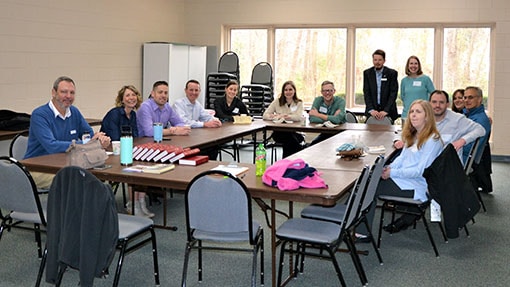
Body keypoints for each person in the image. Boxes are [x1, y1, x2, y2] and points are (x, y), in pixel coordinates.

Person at [24, 76, 111, 189]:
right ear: (53, 93)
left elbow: (89, 135)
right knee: (76, 181)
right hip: (37, 169)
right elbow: (51, 146)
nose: (68, 96)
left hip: (68, 164)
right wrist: (85, 143)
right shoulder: (40, 115)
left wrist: (99, 140)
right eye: (64, 92)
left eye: (72, 93)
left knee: (96, 177)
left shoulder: (74, 112)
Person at [370, 100, 443, 233]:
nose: (413, 115)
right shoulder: (413, 135)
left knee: (369, 189)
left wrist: (392, 173)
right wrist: (389, 168)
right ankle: (351, 226)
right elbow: (401, 158)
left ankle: (361, 233)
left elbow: (420, 171)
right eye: (411, 112)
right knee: (366, 184)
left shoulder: (433, 139)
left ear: (427, 117)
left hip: (417, 186)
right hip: (403, 179)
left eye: (418, 112)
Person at [100, 85, 154, 217]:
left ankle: (140, 202)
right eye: (128, 95)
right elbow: (115, 138)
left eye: (133, 95)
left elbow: (135, 136)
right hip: (111, 152)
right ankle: (132, 204)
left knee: (145, 164)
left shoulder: (133, 114)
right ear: (122, 99)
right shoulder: (114, 113)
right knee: (134, 168)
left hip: (126, 150)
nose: (131, 98)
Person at [394, 90, 485, 163]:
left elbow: (480, 129)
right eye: (434, 102)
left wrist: (462, 141)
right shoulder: (423, 116)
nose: (437, 105)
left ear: (447, 104)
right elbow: (408, 132)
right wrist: (398, 140)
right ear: (429, 103)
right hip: (424, 162)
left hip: (447, 168)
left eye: (441, 102)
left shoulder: (457, 119)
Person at [173, 79, 222, 159]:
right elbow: (184, 122)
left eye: (196, 90)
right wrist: (204, 124)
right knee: (204, 150)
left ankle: (209, 169)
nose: (194, 93)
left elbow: (206, 116)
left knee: (213, 146)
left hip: (193, 137)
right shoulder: (178, 104)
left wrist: (216, 120)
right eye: (191, 90)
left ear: (199, 91)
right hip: (180, 139)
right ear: (185, 91)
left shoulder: (197, 104)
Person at [262, 80, 305, 158]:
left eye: (290, 89)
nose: (288, 92)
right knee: (290, 141)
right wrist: (275, 117)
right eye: (286, 90)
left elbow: (299, 117)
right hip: (279, 132)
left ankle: (285, 163)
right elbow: (265, 115)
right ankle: (300, 151)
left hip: (295, 132)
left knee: (289, 142)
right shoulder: (277, 102)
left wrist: (286, 116)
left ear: (294, 91)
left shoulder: (299, 103)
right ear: (283, 91)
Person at [463, 86, 492, 193]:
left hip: (464, 158)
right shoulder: (468, 115)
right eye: (465, 97)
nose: (466, 100)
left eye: (470, 97)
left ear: (479, 99)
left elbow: (468, 148)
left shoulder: (480, 120)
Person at [363, 49, 399, 122]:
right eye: (375, 60)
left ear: (384, 60)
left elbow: (393, 93)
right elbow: (366, 92)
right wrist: (371, 110)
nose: (377, 62)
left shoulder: (392, 73)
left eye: (380, 60)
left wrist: (386, 110)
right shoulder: (367, 73)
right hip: (372, 113)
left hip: (388, 112)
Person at [308, 80, 346, 145]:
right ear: (321, 92)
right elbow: (312, 118)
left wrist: (318, 114)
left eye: (330, 90)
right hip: (325, 132)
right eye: (324, 91)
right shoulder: (318, 100)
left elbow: (337, 120)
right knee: (314, 144)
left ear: (334, 91)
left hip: (339, 133)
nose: (327, 93)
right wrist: (332, 118)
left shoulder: (341, 101)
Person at [400, 56, 435, 123]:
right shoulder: (404, 81)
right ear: (408, 65)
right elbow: (402, 97)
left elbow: (433, 95)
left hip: (423, 116)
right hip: (407, 115)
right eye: (411, 63)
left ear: (419, 65)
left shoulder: (426, 79)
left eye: (416, 63)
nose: (413, 66)